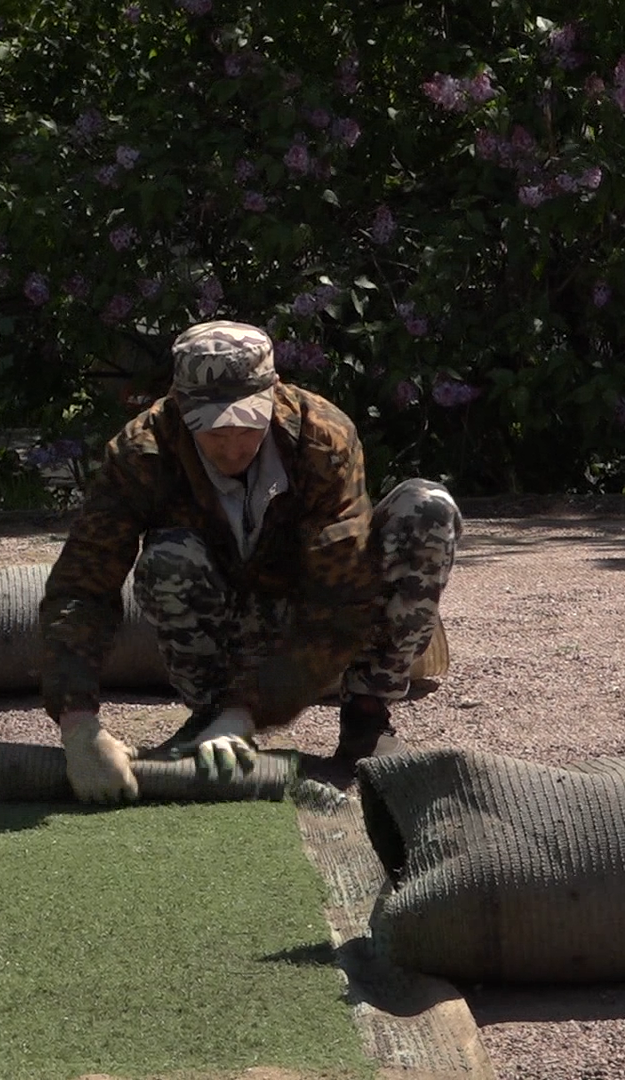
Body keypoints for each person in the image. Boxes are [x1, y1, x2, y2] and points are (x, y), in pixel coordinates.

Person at [40, 320, 461, 803]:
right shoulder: (143, 453)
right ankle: (208, 715)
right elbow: (82, 584)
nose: (233, 444)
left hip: (314, 613)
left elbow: (343, 592)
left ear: (274, 396)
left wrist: (246, 711)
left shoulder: (322, 437)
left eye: (247, 424)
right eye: (213, 430)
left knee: (426, 509)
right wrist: (78, 725)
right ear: (181, 408)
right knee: (167, 561)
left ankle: (365, 719)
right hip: (234, 617)